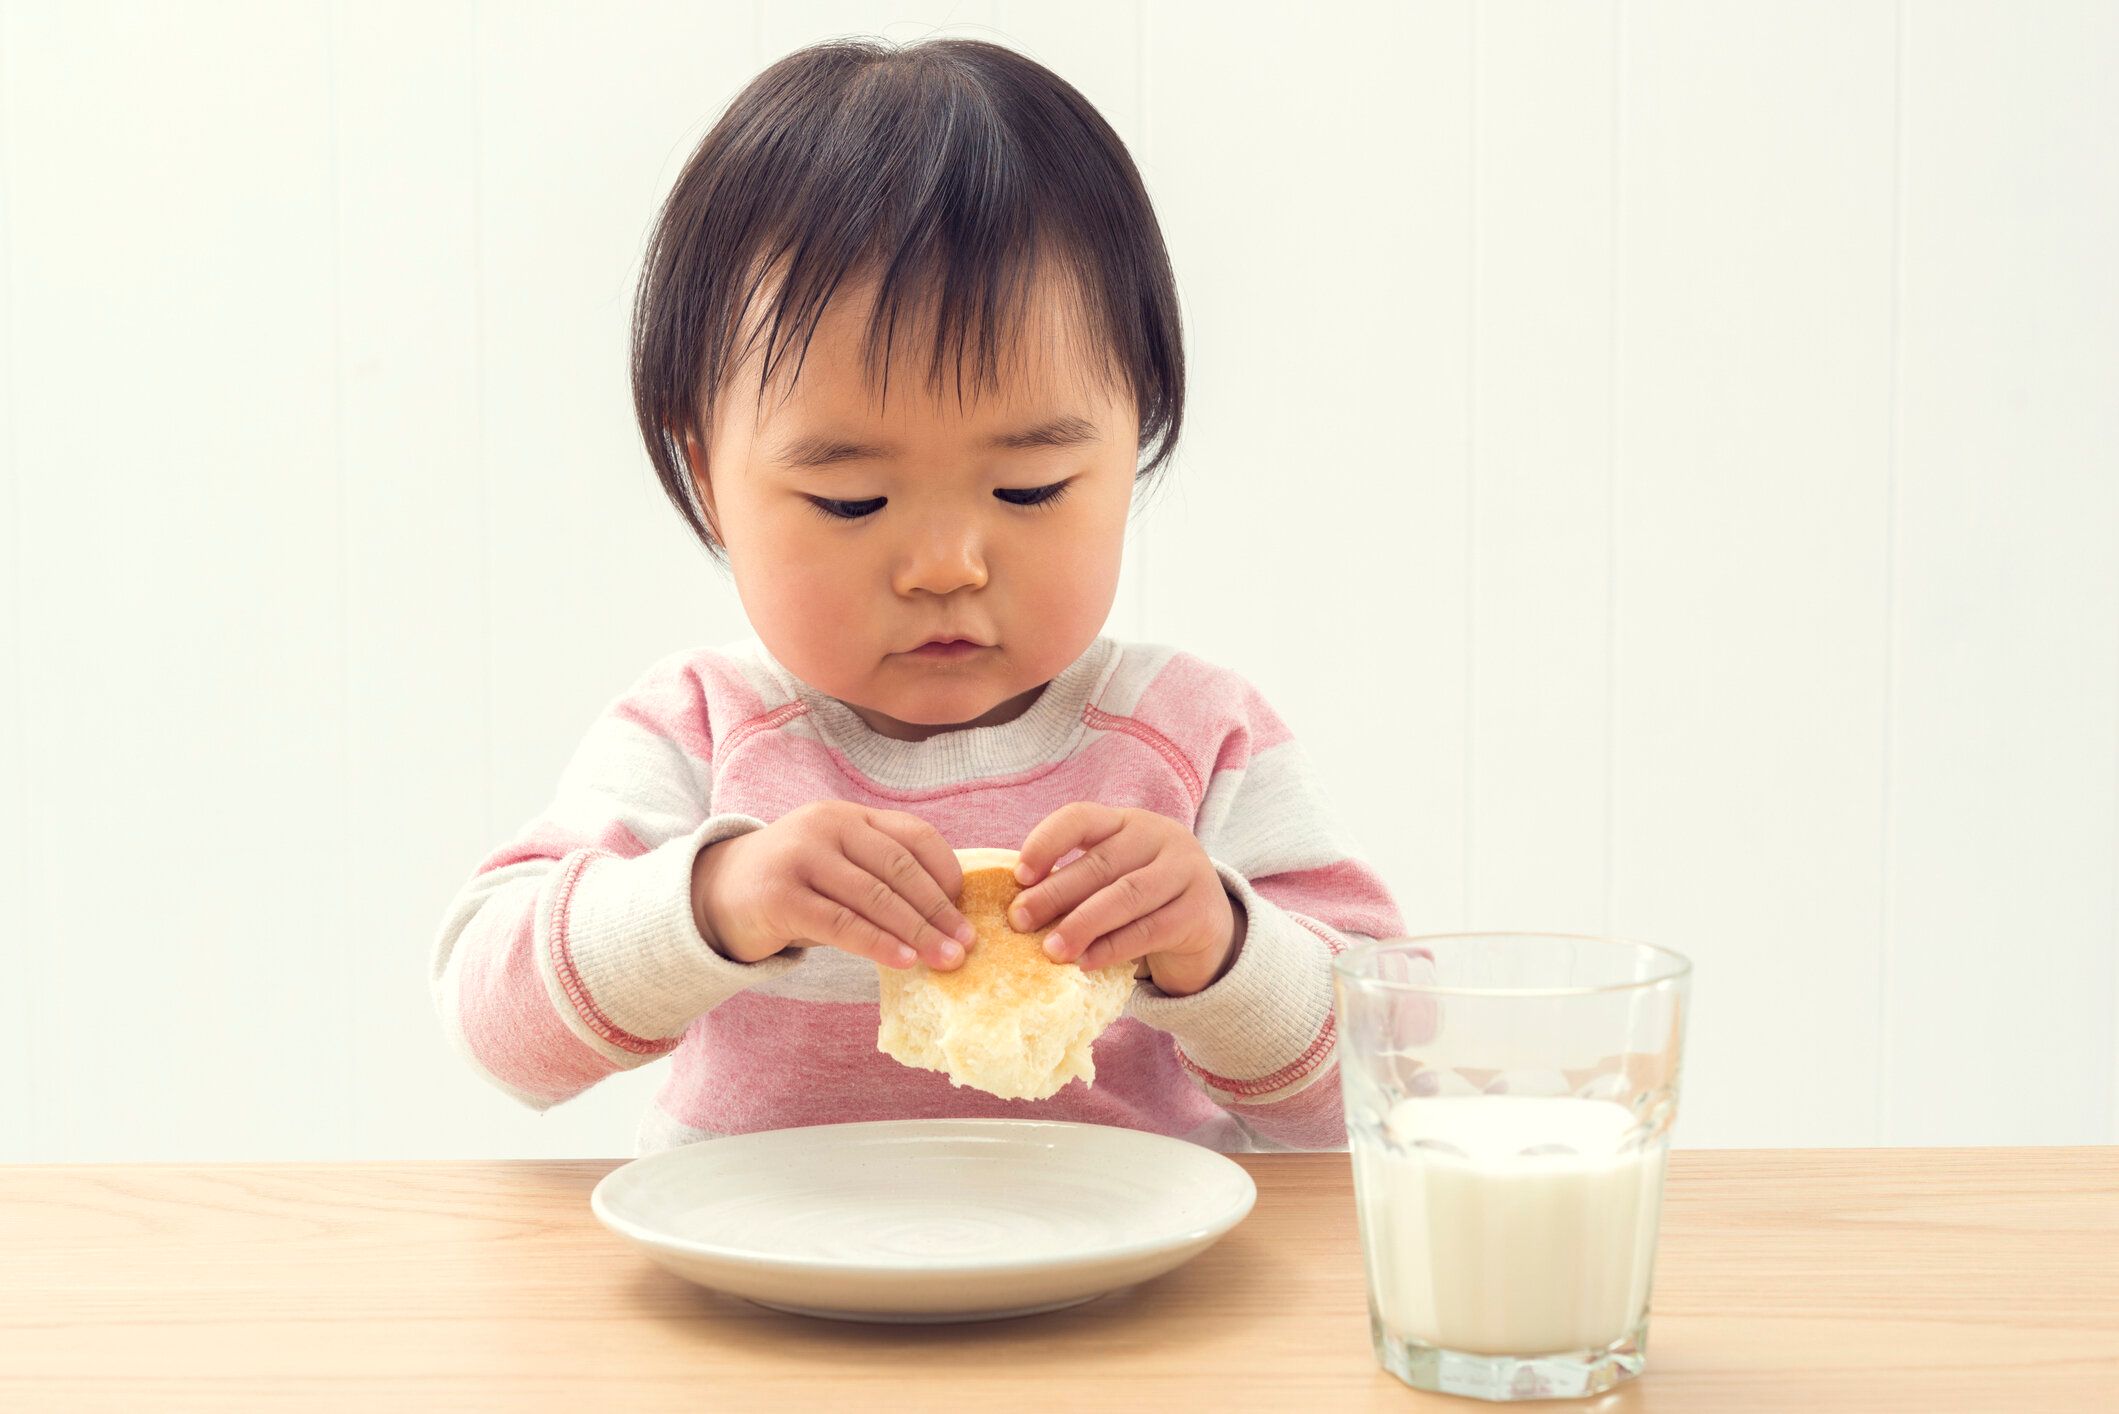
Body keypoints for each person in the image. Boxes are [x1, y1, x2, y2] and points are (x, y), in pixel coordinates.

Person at [430, 36, 1406, 1155]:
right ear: (709, 478)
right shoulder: (705, 735)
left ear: (1131, 445)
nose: (946, 564)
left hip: (1131, 1308)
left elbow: (1385, 1083)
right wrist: (715, 900)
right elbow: (491, 1028)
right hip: (768, 1295)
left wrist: (1224, 946)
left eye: (1028, 486)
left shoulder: (1191, 739)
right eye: (851, 499)